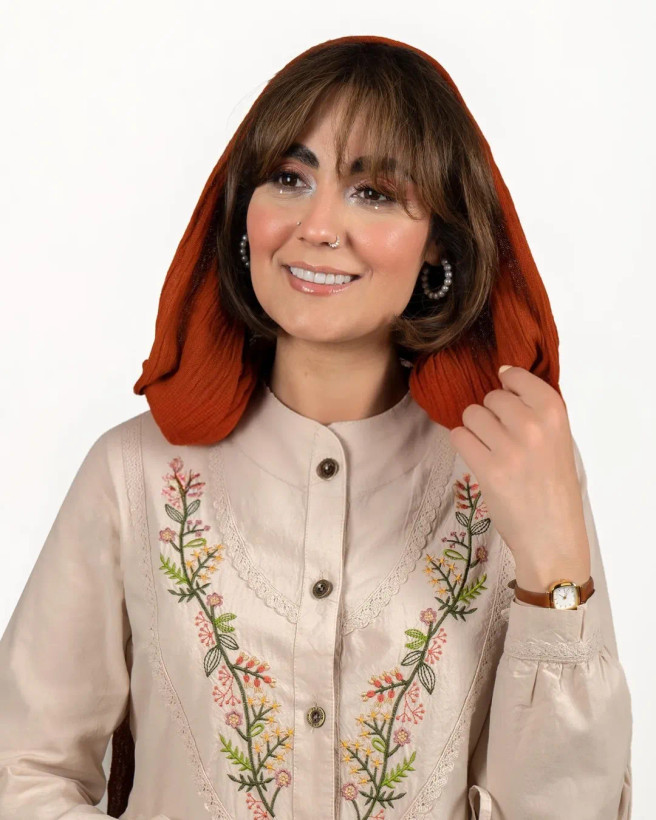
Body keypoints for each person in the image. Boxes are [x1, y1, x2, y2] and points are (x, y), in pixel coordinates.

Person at [0, 34, 632, 820]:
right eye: (290, 179)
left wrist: (554, 575)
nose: (319, 225)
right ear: (244, 211)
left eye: (374, 192)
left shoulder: (514, 471)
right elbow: (22, 770)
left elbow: (570, 805)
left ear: (439, 240)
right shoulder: (137, 474)